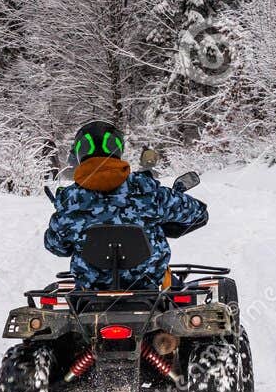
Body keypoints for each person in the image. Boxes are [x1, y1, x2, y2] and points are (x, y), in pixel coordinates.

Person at [43, 120, 208, 289]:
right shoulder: (147, 191)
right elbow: (198, 213)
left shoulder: (70, 201)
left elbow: (55, 246)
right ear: (117, 148)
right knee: (186, 296)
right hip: (150, 291)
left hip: (90, 296)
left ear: (79, 153)